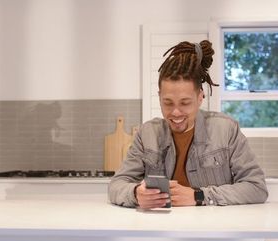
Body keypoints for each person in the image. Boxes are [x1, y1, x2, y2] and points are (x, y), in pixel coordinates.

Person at [108, 40, 268, 208]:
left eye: (185, 103)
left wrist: (199, 196)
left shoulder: (226, 129)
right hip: (161, 229)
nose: (176, 112)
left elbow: (256, 187)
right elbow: (117, 185)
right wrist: (135, 194)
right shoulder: (147, 133)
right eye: (168, 103)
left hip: (213, 230)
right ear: (159, 96)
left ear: (200, 97)